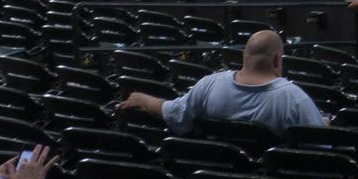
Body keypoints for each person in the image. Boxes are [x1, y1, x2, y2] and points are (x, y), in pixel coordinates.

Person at [114, 30, 325, 134]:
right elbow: (318, 147)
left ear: (244, 56)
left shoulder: (209, 84)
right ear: (278, 59)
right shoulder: (294, 99)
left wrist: (143, 99)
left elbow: (174, 113)